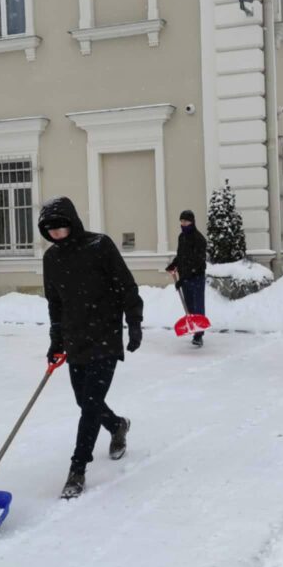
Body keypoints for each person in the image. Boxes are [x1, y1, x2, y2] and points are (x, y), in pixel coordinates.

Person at [38, 196, 143, 500]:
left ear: (72, 222)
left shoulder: (100, 245)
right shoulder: (52, 259)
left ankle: (78, 469)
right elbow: (54, 304)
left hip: (105, 335)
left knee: (91, 402)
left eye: (61, 226)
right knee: (85, 401)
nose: (56, 233)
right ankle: (117, 424)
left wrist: (134, 321)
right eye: (50, 229)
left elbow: (126, 285)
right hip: (75, 338)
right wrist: (56, 342)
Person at [165, 209, 207, 347]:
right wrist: (173, 265)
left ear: (192, 221)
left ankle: (199, 334)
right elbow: (181, 256)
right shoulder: (181, 237)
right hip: (185, 276)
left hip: (196, 276)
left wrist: (184, 278)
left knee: (197, 305)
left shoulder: (199, 239)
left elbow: (198, 262)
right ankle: (194, 329)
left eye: (186, 221)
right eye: (181, 221)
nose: (183, 223)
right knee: (189, 305)